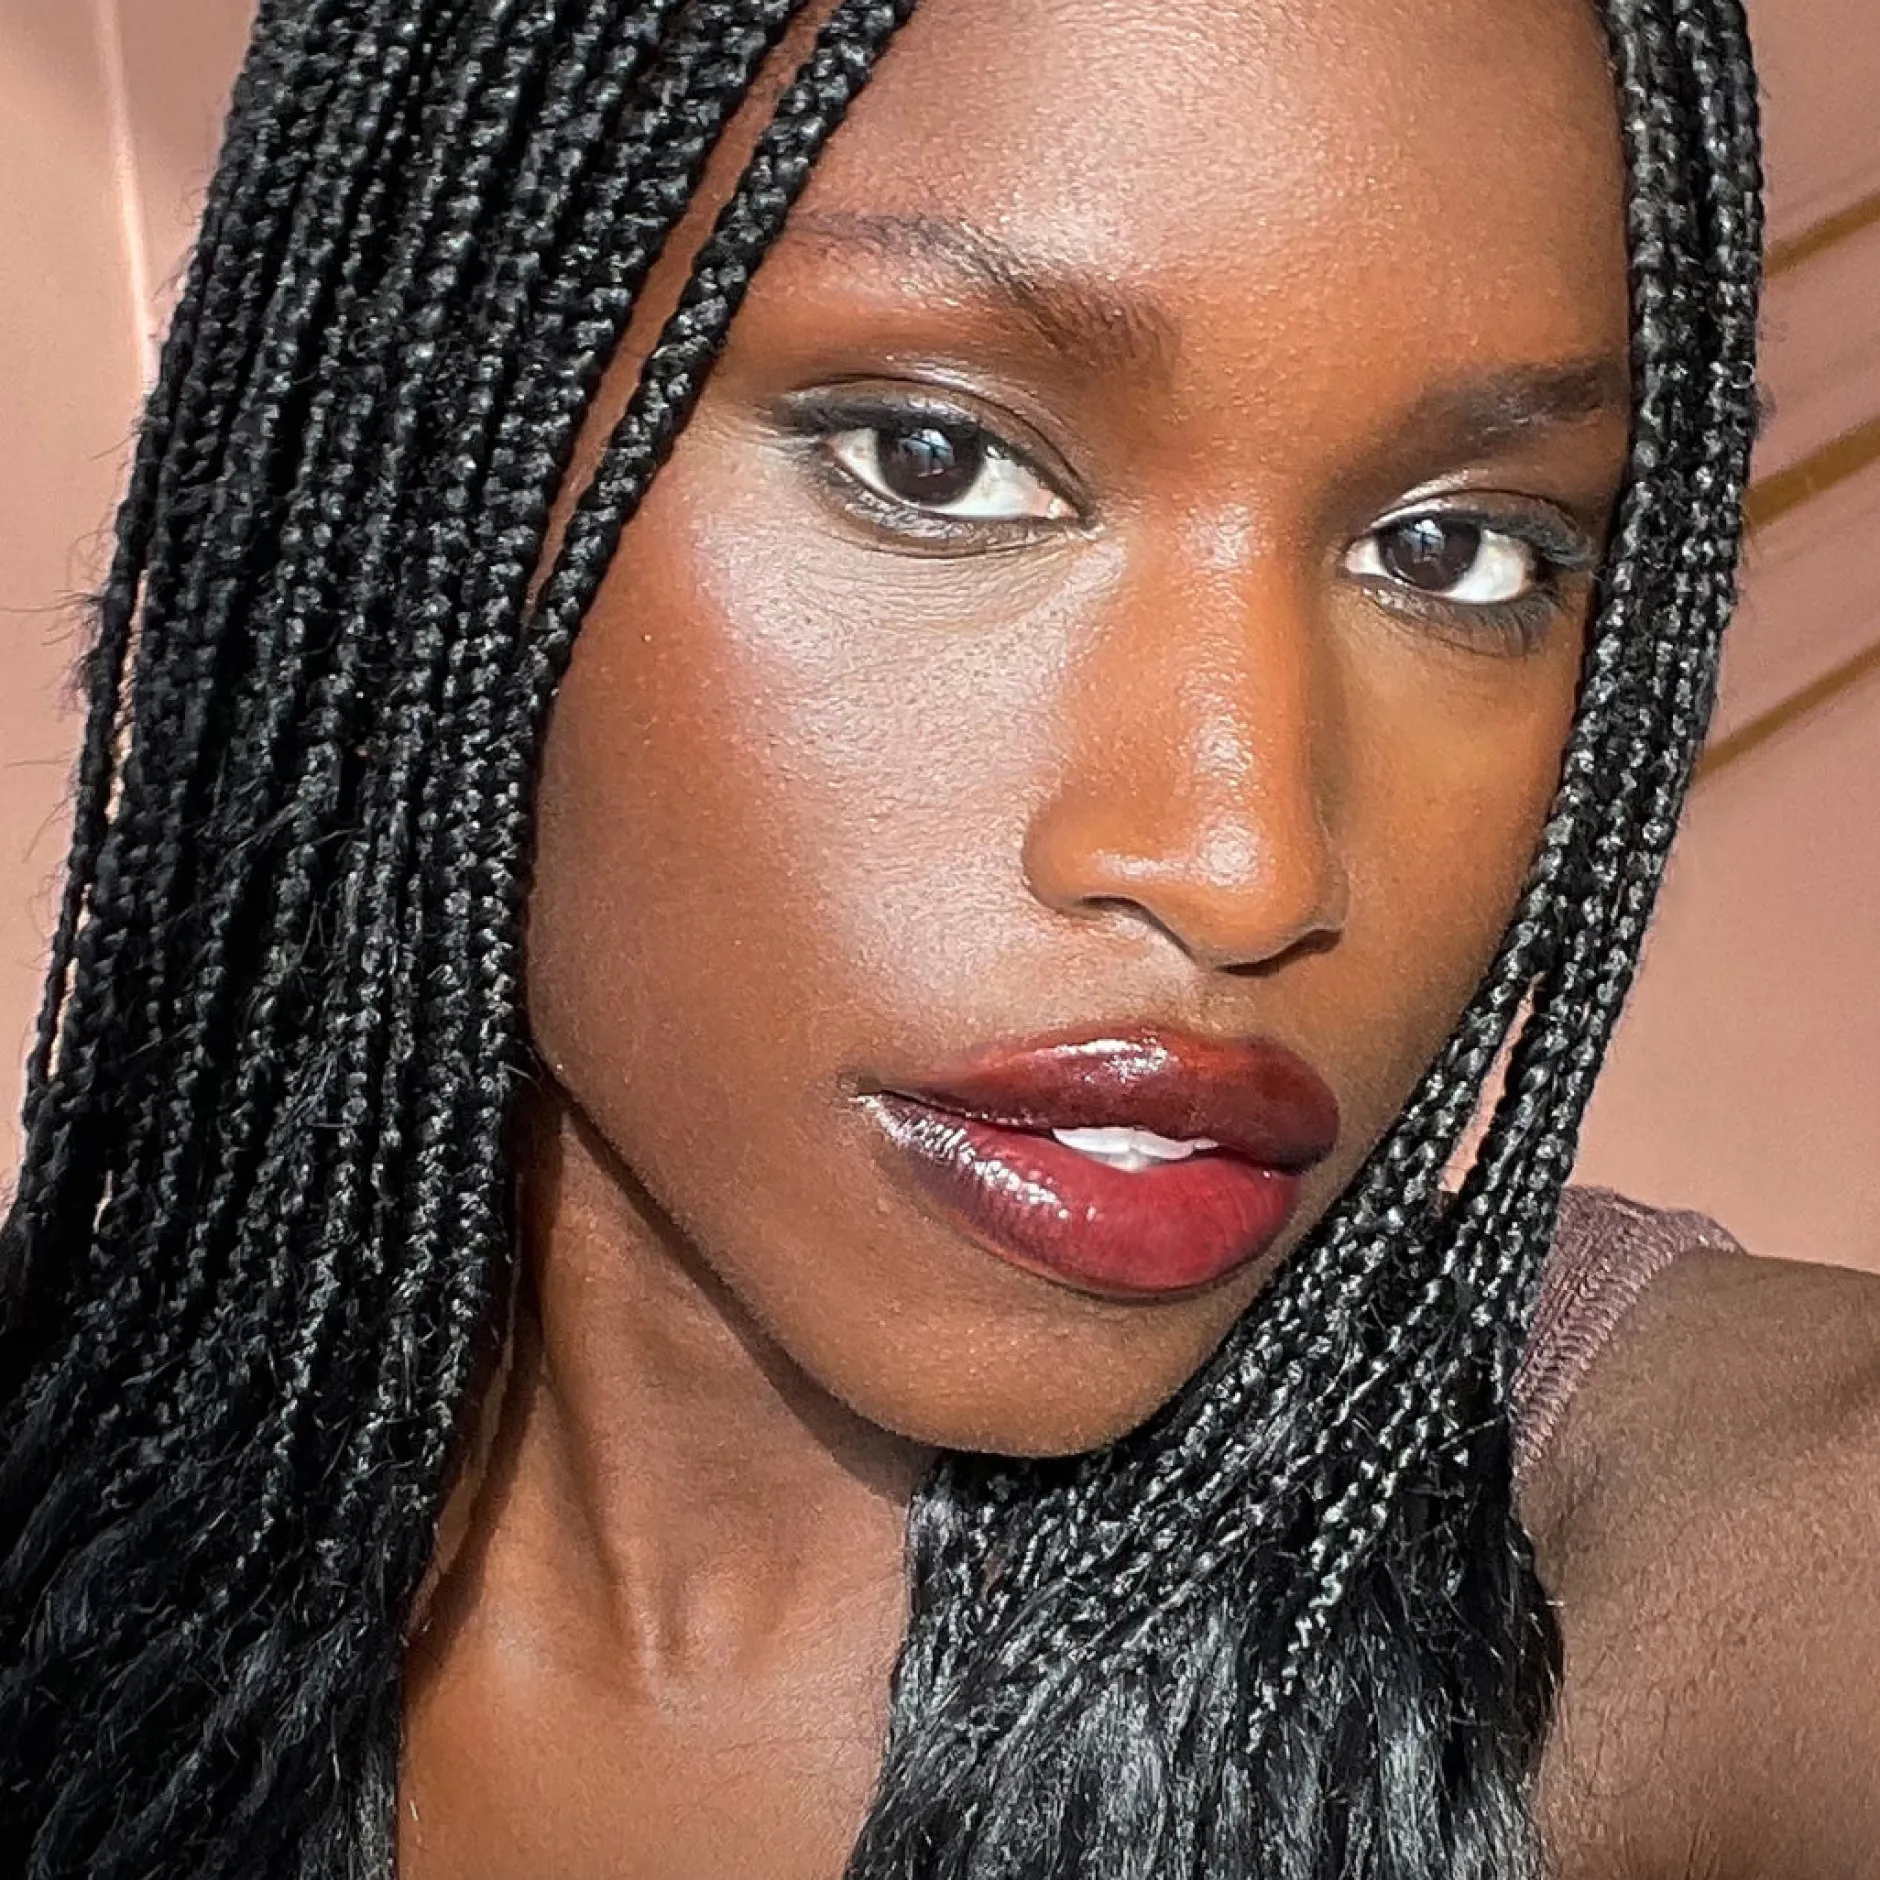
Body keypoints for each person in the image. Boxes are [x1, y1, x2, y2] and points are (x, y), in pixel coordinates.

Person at [1, 0, 1874, 1876]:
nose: (1245, 865)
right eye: (934, 458)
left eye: (1458, 550)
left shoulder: (1719, 1567)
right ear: (409, 447)